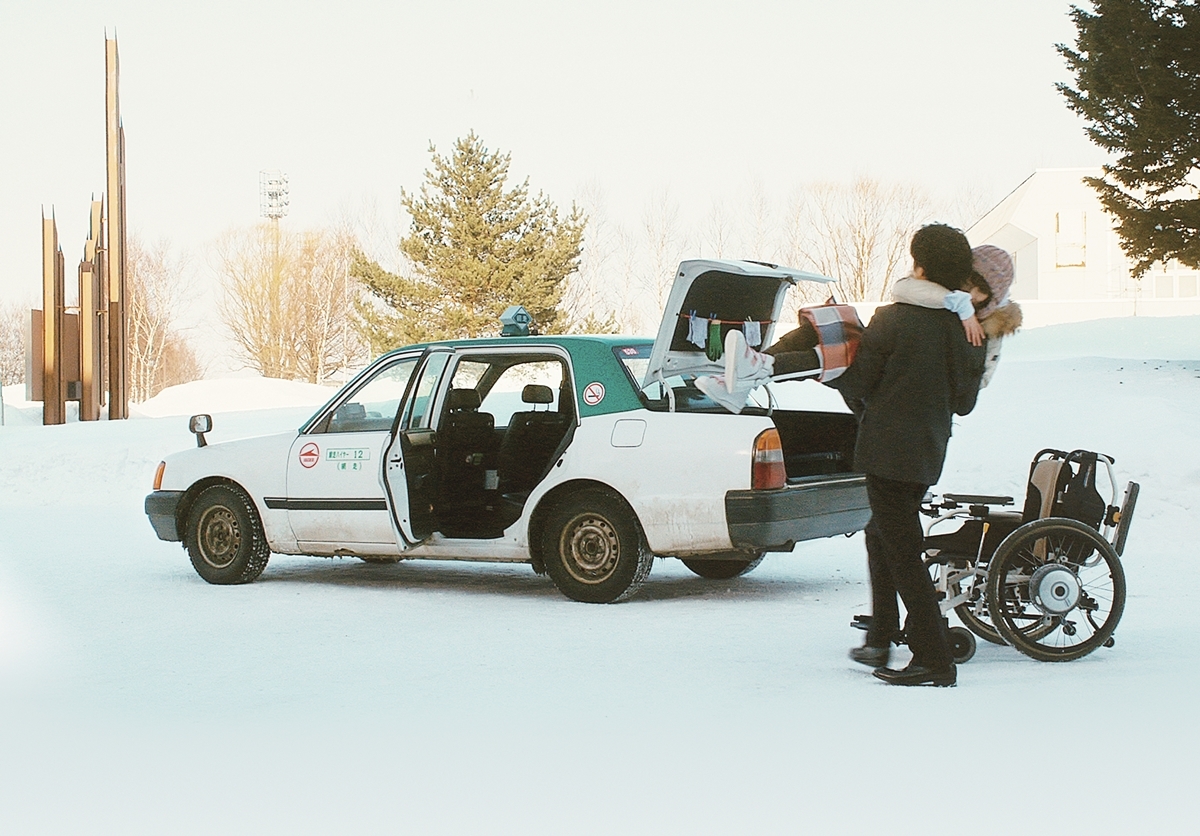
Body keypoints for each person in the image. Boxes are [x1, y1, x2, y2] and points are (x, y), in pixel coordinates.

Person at [826, 224, 985, 686]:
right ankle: (882, 633)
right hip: (927, 454)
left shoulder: (891, 319)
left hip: (885, 454)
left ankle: (934, 658)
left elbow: (860, 383)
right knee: (882, 535)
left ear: (919, 267)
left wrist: (828, 369)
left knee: (902, 553)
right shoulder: (966, 328)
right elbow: (964, 403)